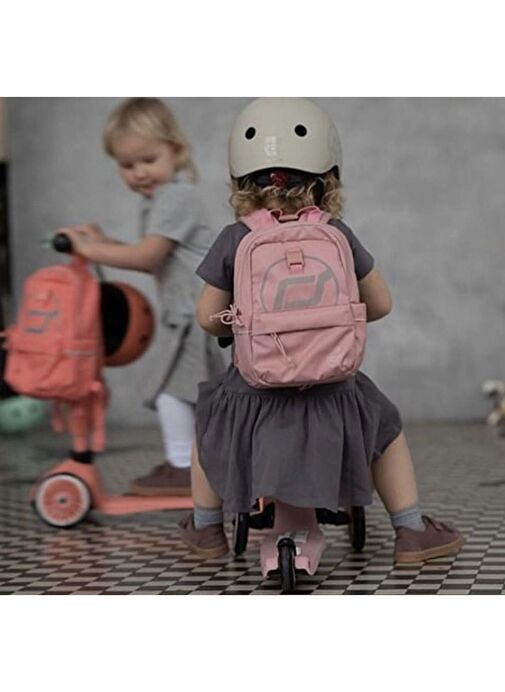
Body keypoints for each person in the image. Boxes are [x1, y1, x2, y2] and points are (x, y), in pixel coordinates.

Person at [178, 97, 464, 563]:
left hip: (254, 394)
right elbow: (381, 303)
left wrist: (240, 323)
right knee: (386, 428)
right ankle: (411, 529)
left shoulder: (236, 238)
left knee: (208, 425)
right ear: (328, 173)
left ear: (240, 177)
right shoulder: (338, 232)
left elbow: (208, 317)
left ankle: (207, 528)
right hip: (334, 393)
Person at [58, 97, 227, 496]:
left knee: (173, 391)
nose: (139, 173)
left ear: (176, 150)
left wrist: (90, 250)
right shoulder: (159, 201)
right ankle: (200, 463)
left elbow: (147, 256)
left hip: (196, 314)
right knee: (193, 393)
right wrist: (103, 242)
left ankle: (184, 467)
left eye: (148, 160)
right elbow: (156, 261)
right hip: (189, 315)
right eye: (127, 165)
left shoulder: (176, 197)